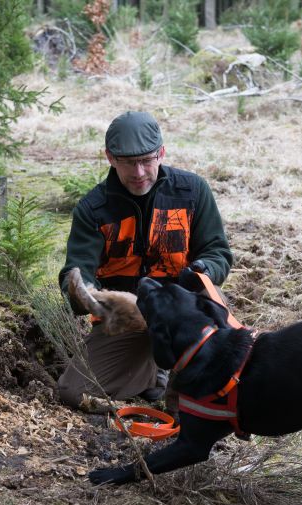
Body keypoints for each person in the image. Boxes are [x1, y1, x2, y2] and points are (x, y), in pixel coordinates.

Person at [57, 110, 233, 412]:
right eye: (127, 163)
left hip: (187, 312)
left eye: (146, 161)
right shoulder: (93, 209)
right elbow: (77, 271)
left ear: (161, 153)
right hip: (129, 320)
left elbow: (218, 252)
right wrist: (87, 295)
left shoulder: (192, 192)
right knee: (73, 393)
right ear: (110, 158)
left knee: (212, 393)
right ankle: (154, 376)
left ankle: (179, 387)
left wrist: (201, 271)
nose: (138, 173)